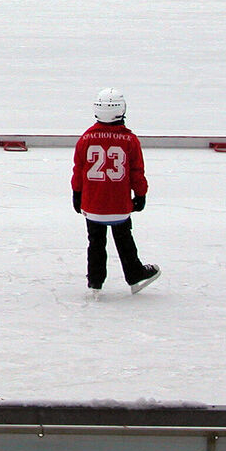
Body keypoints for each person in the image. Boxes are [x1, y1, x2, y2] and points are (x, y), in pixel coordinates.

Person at [71, 88, 159, 297]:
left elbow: (79, 170)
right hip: (119, 205)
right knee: (124, 239)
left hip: (92, 205)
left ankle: (95, 281)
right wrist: (141, 194)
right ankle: (135, 274)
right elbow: (137, 172)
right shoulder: (129, 140)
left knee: (95, 242)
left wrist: (77, 193)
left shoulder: (86, 138)